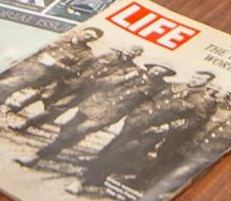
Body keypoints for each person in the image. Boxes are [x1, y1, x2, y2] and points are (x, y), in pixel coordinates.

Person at [66, 71, 218, 196]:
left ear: (207, 82)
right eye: (195, 75)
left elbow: (195, 121)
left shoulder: (204, 100)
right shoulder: (174, 86)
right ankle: (96, 177)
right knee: (117, 146)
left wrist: (167, 127)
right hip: (137, 122)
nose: (194, 78)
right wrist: (138, 114)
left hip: (155, 131)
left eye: (200, 78)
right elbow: (150, 100)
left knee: (122, 151)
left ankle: (85, 180)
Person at [121, 99, 231, 201]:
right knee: (166, 170)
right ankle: (150, 197)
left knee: (177, 175)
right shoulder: (223, 113)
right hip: (191, 146)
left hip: (207, 155)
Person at [18, 59, 167, 169]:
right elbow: (101, 83)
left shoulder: (158, 87)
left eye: (162, 72)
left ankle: (37, 156)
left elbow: (146, 104)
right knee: (69, 129)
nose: (157, 72)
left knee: (80, 130)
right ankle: (57, 148)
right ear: (150, 67)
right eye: (156, 68)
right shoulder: (130, 72)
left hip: (110, 114)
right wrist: (125, 78)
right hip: (93, 105)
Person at [0, 27, 103, 127]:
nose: (87, 36)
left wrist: (54, 64)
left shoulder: (86, 55)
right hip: (21, 64)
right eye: (88, 33)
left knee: (3, 87)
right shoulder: (63, 35)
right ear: (83, 30)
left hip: (38, 74)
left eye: (91, 37)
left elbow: (73, 72)